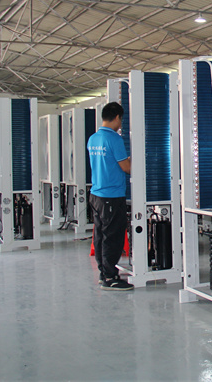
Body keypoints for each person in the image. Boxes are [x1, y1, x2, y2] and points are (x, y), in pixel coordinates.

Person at [88, 102, 133, 291]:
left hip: (96, 194)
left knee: (100, 235)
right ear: (116, 117)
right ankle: (110, 277)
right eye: (121, 119)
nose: (120, 124)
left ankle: (103, 273)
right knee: (113, 237)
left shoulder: (93, 138)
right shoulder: (114, 139)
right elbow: (127, 168)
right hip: (112, 196)